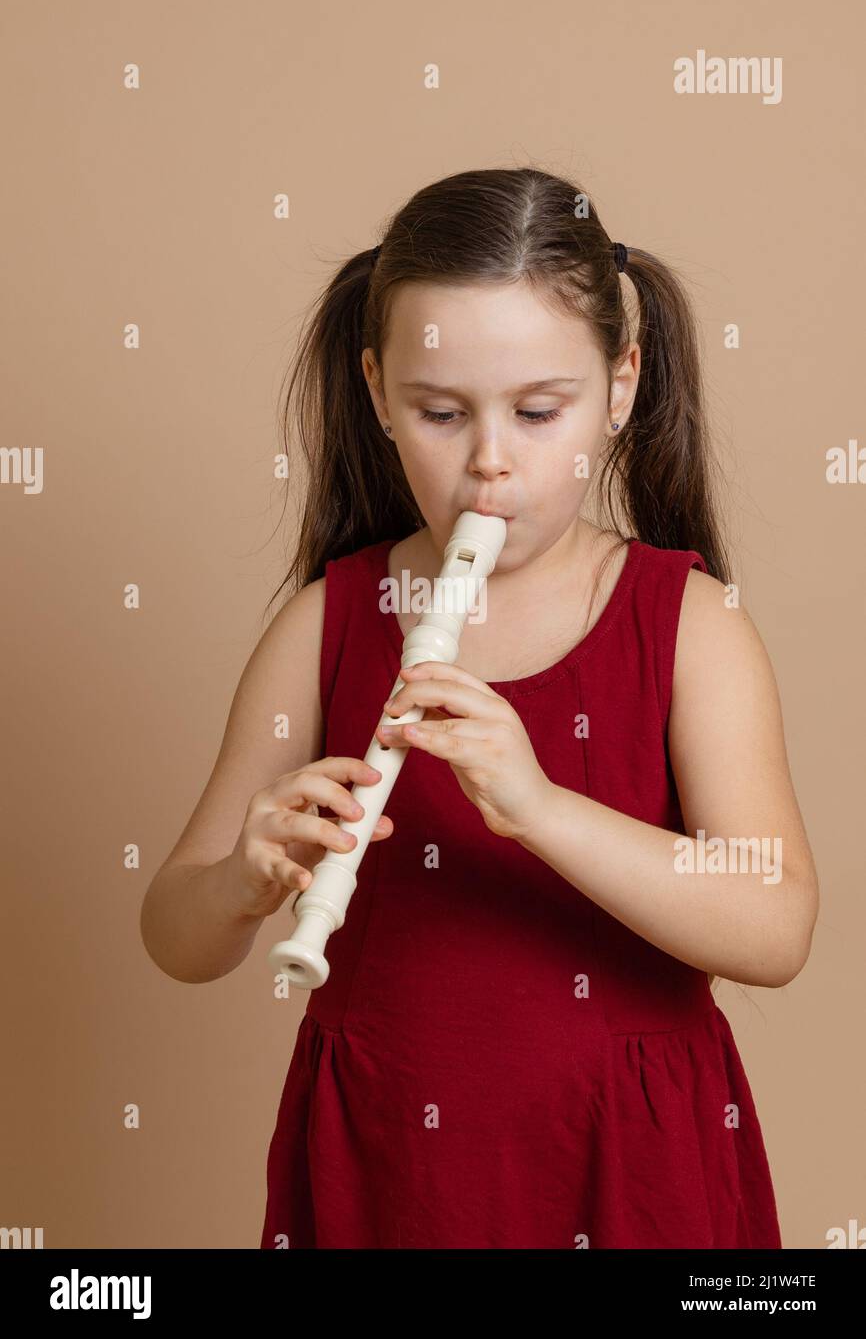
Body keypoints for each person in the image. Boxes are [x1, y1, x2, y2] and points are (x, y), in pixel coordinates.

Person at [140, 167, 819, 1249]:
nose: (489, 461)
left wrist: (539, 805)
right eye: (441, 413)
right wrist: (244, 876)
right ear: (375, 392)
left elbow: (775, 924)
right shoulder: (330, 621)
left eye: (539, 411)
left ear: (620, 385)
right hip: (391, 1167)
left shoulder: (686, 622)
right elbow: (174, 934)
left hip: (627, 1168)